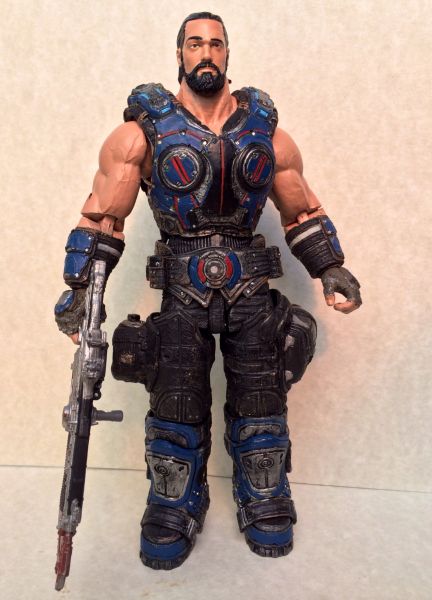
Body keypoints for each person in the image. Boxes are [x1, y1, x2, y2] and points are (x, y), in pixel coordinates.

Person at [55, 12, 361, 570]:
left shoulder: (263, 131)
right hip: (181, 287)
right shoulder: (142, 132)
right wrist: (79, 290)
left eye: (215, 44)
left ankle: (263, 490)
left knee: (261, 395)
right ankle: (174, 499)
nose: (206, 53)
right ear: (179, 54)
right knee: (176, 397)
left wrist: (330, 268)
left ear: (227, 54)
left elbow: (301, 208)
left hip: (251, 286)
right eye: (195, 43)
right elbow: (103, 215)